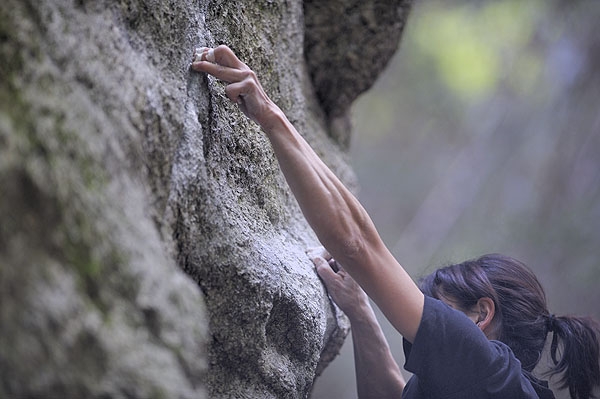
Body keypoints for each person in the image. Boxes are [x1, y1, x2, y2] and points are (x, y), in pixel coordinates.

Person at [191, 45, 600, 399]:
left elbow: (357, 244)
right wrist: (360, 310)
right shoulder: (489, 387)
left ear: (481, 315)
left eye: (438, 304)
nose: (417, 317)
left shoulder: (487, 369)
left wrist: (269, 115)